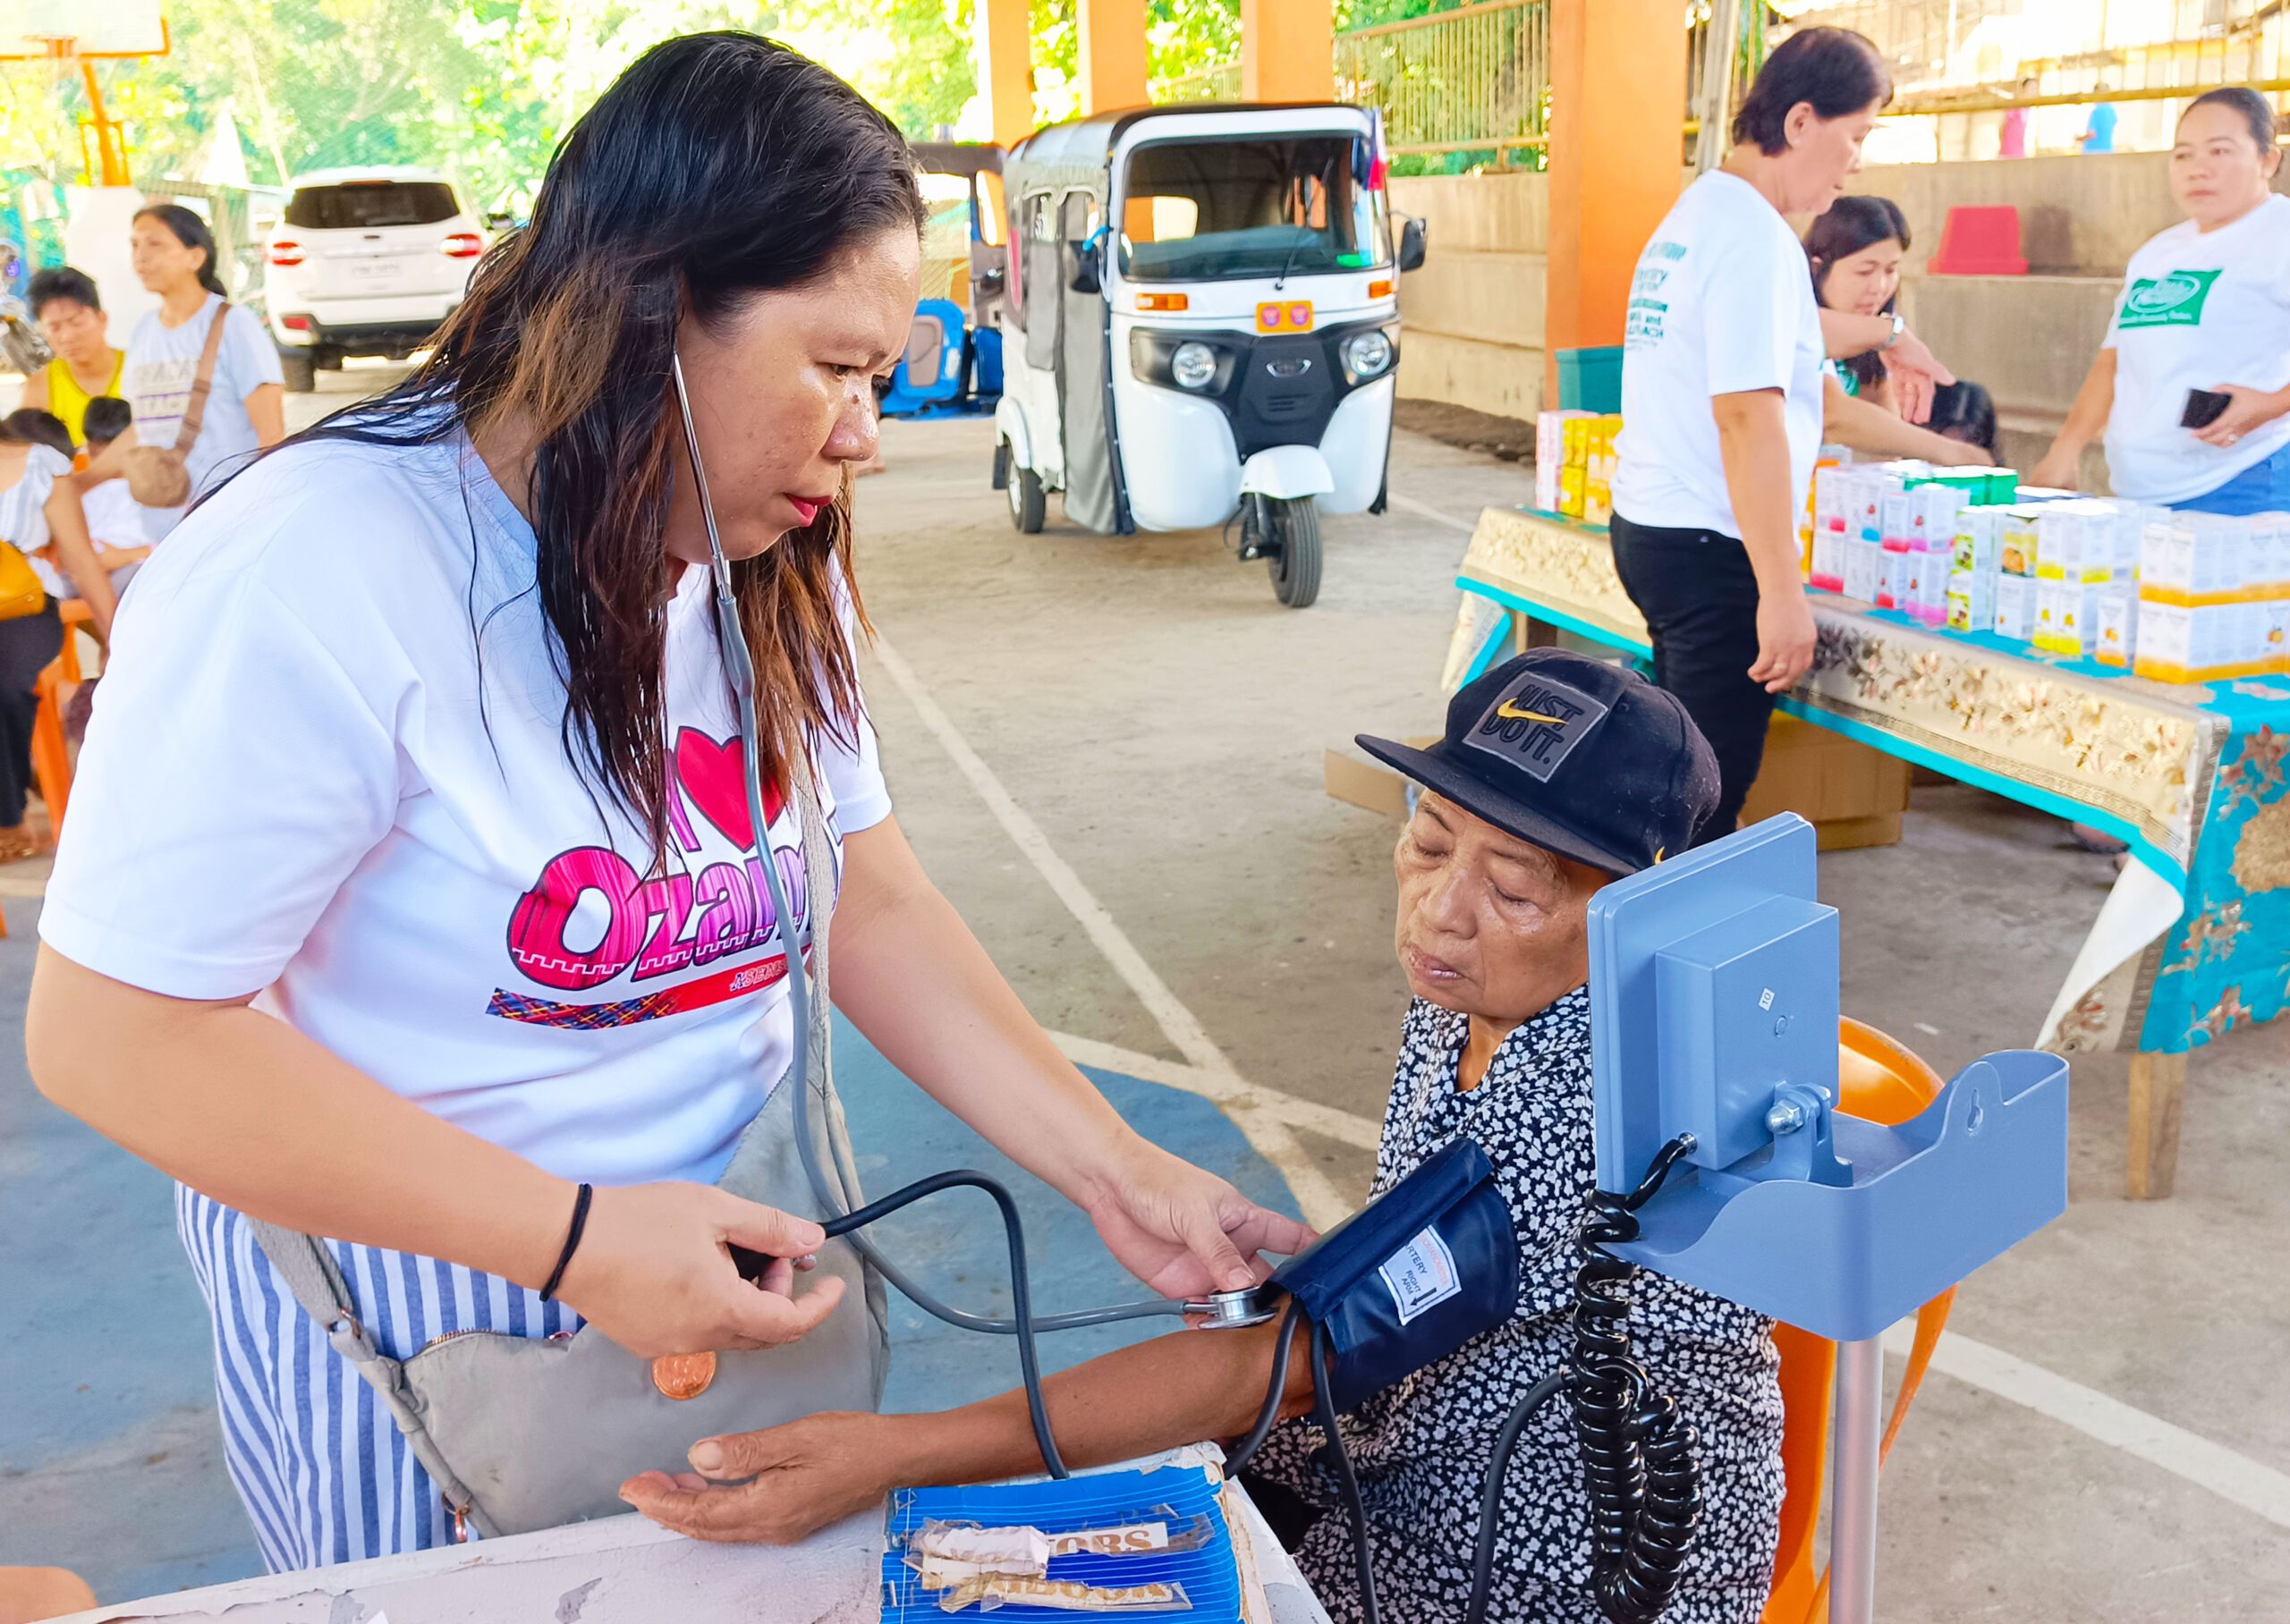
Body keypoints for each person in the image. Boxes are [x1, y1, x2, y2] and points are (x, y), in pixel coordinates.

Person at [26, 33, 1305, 1571]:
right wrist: (571, 1241)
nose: (865, 435)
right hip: (424, 1297)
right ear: (648, 311)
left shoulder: (755, 560)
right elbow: (114, 1034)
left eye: (879, 379)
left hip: (732, 1237)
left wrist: (1117, 1168)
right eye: (832, 369)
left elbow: (867, 896)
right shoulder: (320, 567)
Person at [624, 650, 1786, 1624]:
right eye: (1430, 844)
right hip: (1419, 1441)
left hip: (1550, 1556)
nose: (1442, 910)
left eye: (1516, 891)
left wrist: (899, 1453)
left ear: (1635, 916)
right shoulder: (1476, 989)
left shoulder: (1600, 1099)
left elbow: (1273, 1368)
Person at [1613, 27, 1921, 844]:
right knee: (1703, 805)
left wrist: (1891, 336)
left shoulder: (1701, 214)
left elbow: (1782, 355)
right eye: (1855, 136)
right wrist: (1782, 594)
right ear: (1801, 122)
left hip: (1659, 528)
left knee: (1682, 781)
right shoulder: (1754, 237)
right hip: (1712, 548)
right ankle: (1655, 928)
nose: (1855, 163)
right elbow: (1746, 417)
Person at [2031, 89, 2289, 513]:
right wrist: (2066, 449)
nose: (2198, 169)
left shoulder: (2280, 234)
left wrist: (2271, 405)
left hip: (2246, 484)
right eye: (2183, 155)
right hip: (2140, 492)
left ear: (2268, 160)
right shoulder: (2157, 252)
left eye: (2219, 151)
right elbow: (2113, 361)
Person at [100, 205, 284, 539]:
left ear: (195, 257)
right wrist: (81, 481)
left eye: (155, 244)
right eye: (135, 245)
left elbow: (271, 433)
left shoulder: (234, 325)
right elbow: (142, 427)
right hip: (161, 525)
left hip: (228, 517)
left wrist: (263, 509)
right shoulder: (144, 331)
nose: (141, 256)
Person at [0, 410, 118, 860]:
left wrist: (119, 642)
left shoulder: (40, 465)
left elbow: (81, 560)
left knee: (6, 681)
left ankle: (8, 817)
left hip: (23, 607)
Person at [1804, 193, 1997, 459]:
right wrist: (1955, 454)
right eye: (1864, 271)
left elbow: (1885, 442)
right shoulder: (1796, 321)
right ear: (1817, 268)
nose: (1879, 287)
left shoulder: (1878, 333)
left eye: (1890, 270)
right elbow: (1833, 414)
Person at [20, 266, 124, 447]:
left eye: (76, 322)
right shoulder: (41, 386)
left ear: (102, 319)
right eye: (54, 327)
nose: (66, 336)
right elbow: (31, 456)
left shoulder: (138, 370)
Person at [68, 396, 149, 590]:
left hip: (135, 567)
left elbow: (167, 544)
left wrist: (123, 557)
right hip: (87, 568)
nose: (105, 463)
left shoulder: (151, 486)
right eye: (95, 453)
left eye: (113, 454)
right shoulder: (77, 486)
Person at [1998, 77, 2038, 159]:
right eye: (2031, 87)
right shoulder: (2015, 105)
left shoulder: (2031, 109)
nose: (2033, 91)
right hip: (2009, 151)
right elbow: (2002, 126)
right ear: (2024, 88)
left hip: (2021, 151)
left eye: (2035, 88)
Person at [2079, 89, 2119, 154]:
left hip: (2093, 151)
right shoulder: (2112, 111)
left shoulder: (2096, 112)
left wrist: (2080, 138)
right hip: (2108, 149)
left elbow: (2092, 134)